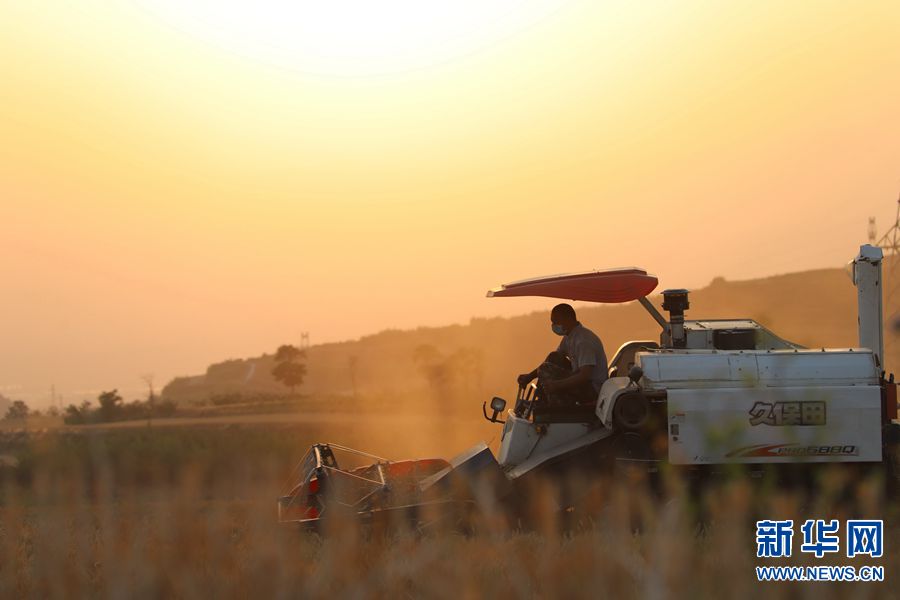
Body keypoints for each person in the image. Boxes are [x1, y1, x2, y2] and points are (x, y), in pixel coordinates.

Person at [517, 303, 608, 405]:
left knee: (545, 369)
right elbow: (553, 359)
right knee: (553, 357)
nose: (553, 326)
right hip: (582, 382)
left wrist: (557, 385)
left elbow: (584, 375)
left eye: (556, 322)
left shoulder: (583, 341)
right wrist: (529, 377)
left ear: (568, 319)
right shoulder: (569, 337)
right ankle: (542, 399)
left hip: (592, 390)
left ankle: (553, 406)